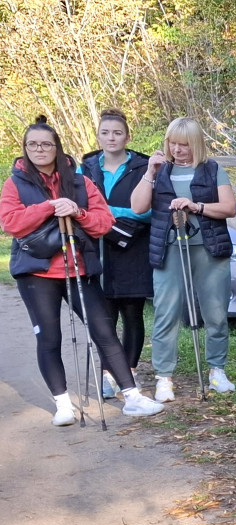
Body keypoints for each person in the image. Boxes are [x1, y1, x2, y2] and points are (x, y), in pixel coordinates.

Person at [0, 116, 165, 425]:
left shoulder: (79, 181)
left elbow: (103, 223)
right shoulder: (15, 182)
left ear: (56, 147)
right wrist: (49, 206)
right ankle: (63, 405)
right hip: (37, 272)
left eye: (46, 144)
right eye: (32, 144)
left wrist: (77, 211)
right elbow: (10, 222)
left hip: (78, 267)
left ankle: (131, 397)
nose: (39, 149)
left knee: (103, 330)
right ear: (24, 148)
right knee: (49, 337)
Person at [130, 117, 236, 403]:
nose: (178, 150)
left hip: (209, 249)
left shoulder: (212, 169)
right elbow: (138, 207)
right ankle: (164, 377)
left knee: (215, 312)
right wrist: (150, 173)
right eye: (173, 144)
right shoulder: (158, 170)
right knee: (166, 313)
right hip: (168, 249)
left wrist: (196, 206)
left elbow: (229, 208)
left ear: (197, 144)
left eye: (184, 145)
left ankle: (217, 370)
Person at [79, 108, 154, 399]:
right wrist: (103, 217)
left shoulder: (144, 166)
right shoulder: (84, 167)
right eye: (106, 132)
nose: (112, 138)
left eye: (117, 132)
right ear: (98, 136)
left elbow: (149, 211)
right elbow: (78, 205)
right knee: (104, 318)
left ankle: (130, 372)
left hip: (133, 249)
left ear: (127, 136)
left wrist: (109, 213)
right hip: (96, 250)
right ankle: (110, 375)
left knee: (132, 315)